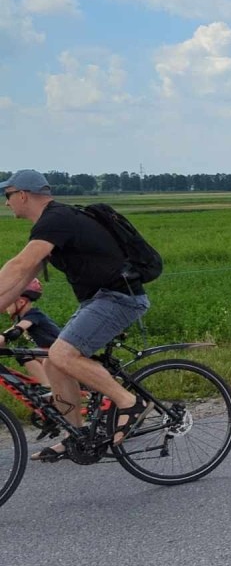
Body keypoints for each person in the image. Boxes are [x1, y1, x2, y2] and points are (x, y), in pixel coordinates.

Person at [0, 170, 151, 461]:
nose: (6, 203)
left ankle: (130, 403)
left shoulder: (56, 219)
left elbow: (19, 266)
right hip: (100, 299)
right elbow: (20, 282)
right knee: (55, 362)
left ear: (23, 195)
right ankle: (75, 436)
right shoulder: (51, 223)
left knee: (63, 355)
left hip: (119, 298)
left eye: (7, 196)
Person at [3, 278, 61, 388]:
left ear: (21, 302)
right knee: (27, 353)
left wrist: (6, 336)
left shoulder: (33, 315)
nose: (5, 306)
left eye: (8, 301)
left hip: (58, 353)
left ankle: (47, 387)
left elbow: (15, 332)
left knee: (24, 354)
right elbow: (7, 334)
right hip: (50, 353)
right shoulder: (22, 318)